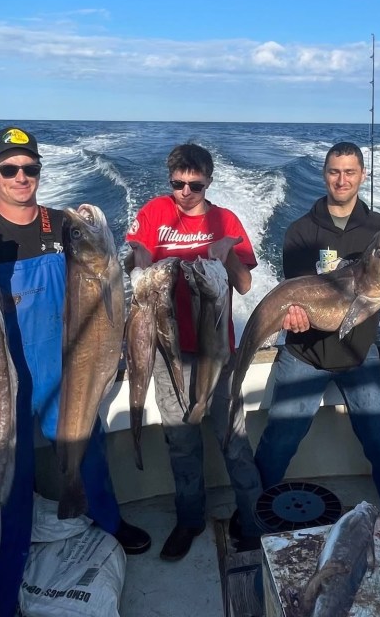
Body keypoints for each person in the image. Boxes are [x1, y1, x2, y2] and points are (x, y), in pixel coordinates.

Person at [0, 126, 150, 617]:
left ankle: (108, 522)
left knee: (88, 455)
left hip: (61, 372)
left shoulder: (61, 226)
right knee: (1, 488)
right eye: (9, 169)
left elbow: (99, 283)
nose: (21, 177)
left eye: (30, 168)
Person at [254, 142, 380, 515]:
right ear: (325, 174)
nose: (342, 180)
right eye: (334, 171)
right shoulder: (300, 231)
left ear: (362, 176)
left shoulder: (379, 230)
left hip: (359, 353)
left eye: (350, 172)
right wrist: (292, 317)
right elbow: (294, 293)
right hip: (304, 353)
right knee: (279, 441)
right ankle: (251, 517)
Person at [125, 143, 263, 560]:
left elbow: (242, 284)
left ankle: (255, 524)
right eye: (177, 183)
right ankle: (189, 520)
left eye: (195, 184)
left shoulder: (225, 220)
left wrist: (227, 254)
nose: (185, 191)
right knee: (181, 443)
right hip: (169, 354)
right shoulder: (153, 213)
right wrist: (138, 264)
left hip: (218, 354)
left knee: (233, 441)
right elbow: (140, 254)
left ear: (209, 181)